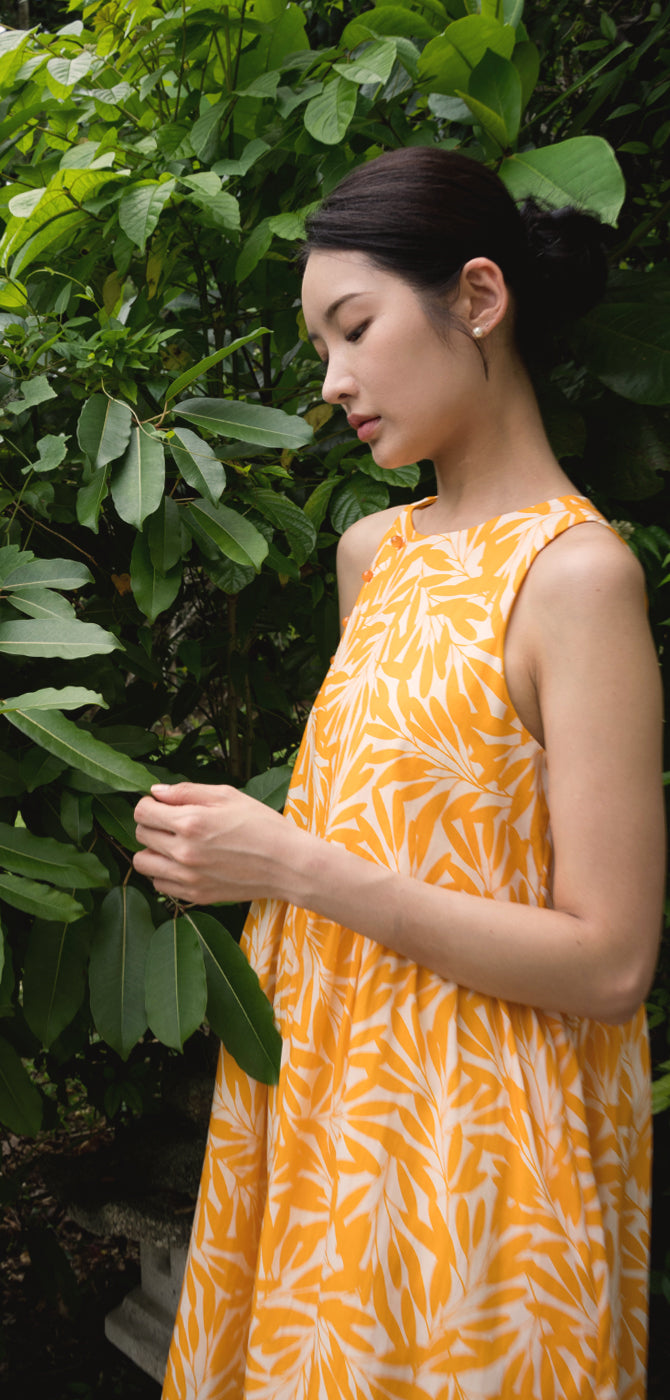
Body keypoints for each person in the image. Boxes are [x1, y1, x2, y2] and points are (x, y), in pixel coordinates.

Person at [133, 147, 664, 1400]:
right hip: (320, 1106)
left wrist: (286, 861)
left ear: (476, 297)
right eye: (321, 346)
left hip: (482, 1151)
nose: (332, 383)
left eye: (353, 329)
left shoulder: (576, 578)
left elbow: (609, 960)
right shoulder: (373, 554)